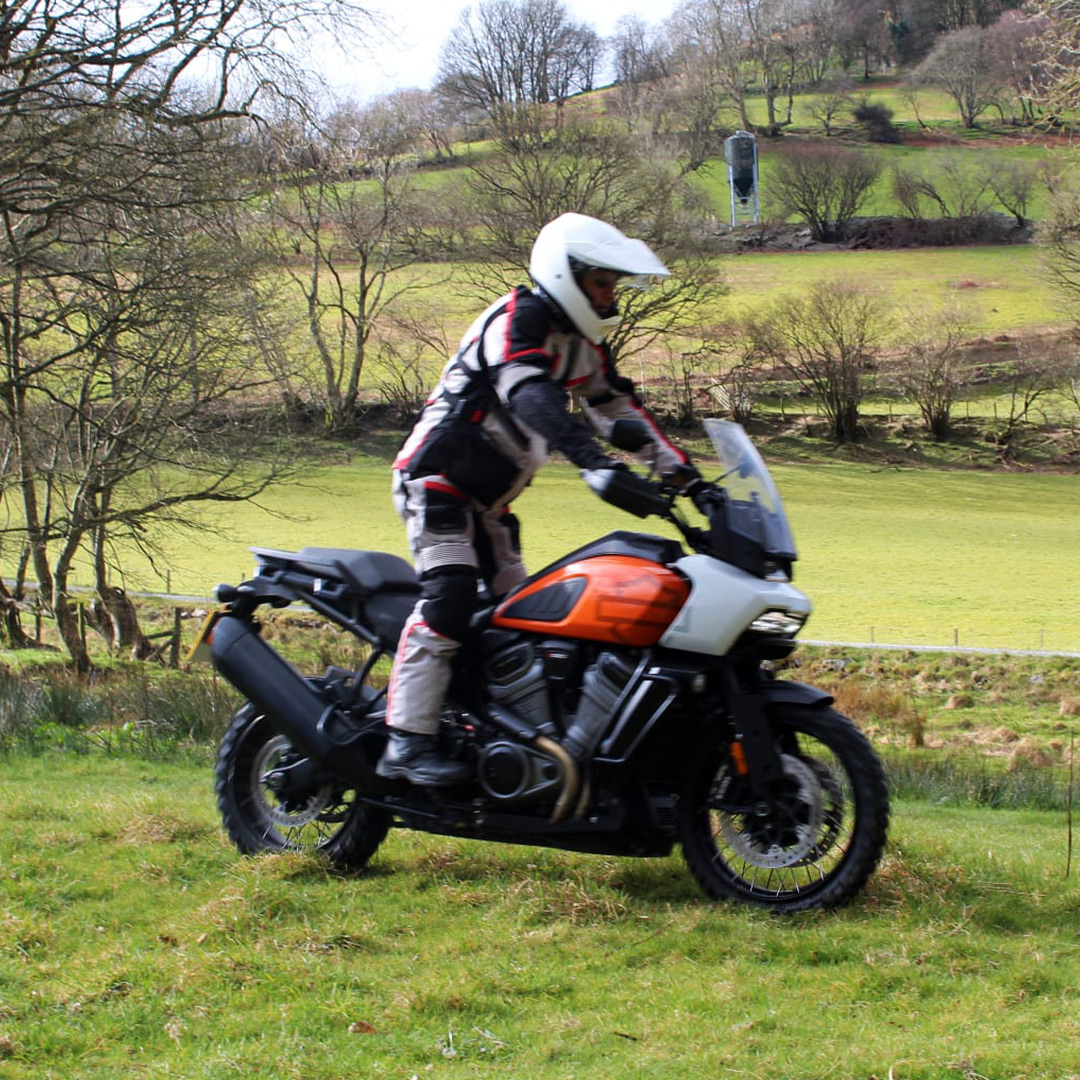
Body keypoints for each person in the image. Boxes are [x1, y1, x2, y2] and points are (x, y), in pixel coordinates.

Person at [376, 212, 698, 785]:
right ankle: (405, 740)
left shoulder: (577, 345)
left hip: (490, 509)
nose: (609, 297)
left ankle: (491, 738)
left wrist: (691, 483)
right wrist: (594, 464)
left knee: (520, 628)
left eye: (612, 286)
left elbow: (617, 408)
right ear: (567, 276)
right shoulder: (514, 321)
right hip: (436, 484)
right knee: (450, 599)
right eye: (602, 283)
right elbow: (529, 398)